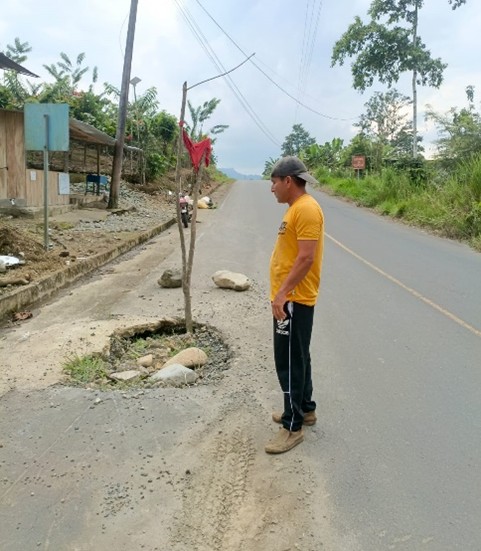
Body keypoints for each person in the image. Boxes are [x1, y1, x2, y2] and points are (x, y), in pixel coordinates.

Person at [265, 156, 324, 454]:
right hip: (292, 298)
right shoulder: (296, 208)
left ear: (288, 181)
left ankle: (292, 426)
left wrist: (282, 294)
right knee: (298, 356)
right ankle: (305, 409)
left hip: (294, 300)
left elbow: (305, 258)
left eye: (274, 182)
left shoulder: (306, 209)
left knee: (288, 361)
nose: (272, 188)